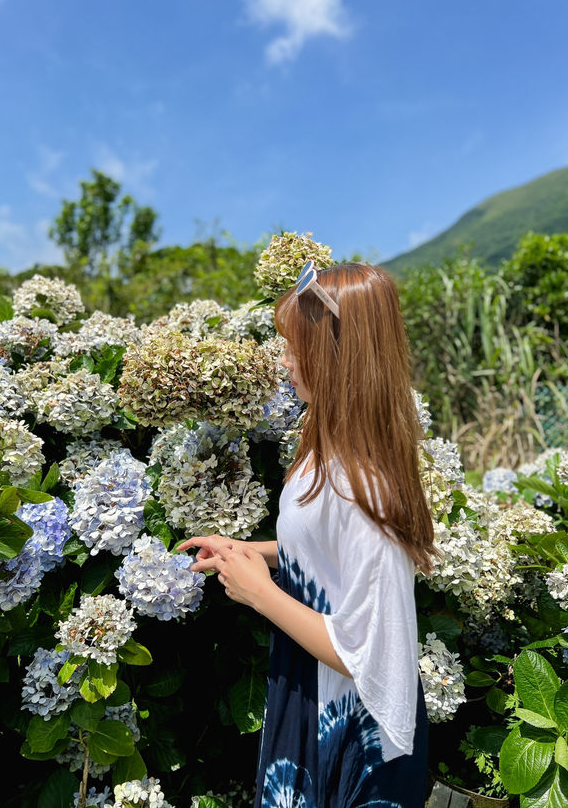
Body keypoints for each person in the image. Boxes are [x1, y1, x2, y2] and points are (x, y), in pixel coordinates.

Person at [178, 261, 435, 808]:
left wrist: (261, 594)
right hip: (313, 691)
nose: (285, 362)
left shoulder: (366, 485)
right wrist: (257, 554)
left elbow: (368, 651)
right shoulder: (331, 448)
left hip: (351, 735)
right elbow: (327, 549)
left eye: (297, 348)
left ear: (341, 355)